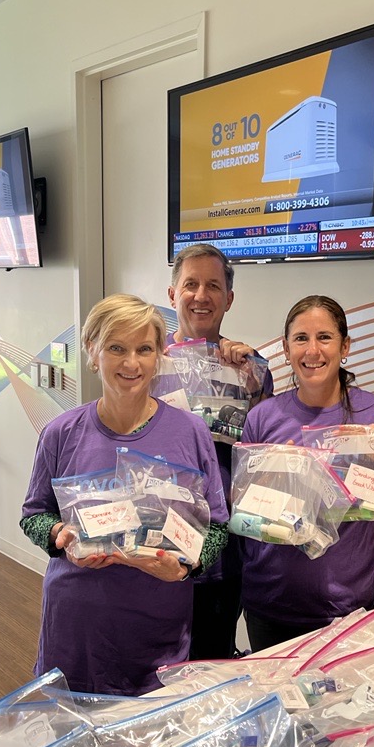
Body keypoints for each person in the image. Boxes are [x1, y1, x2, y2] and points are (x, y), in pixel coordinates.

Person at [20, 294, 228, 695]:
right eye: (116, 348)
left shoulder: (191, 432)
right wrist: (59, 535)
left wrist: (188, 567)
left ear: (159, 355)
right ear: (93, 353)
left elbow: (216, 526)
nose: (131, 363)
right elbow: (34, 515)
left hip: (157, 623)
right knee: (75, 741)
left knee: (151, 742)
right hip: (76, 624)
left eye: (144, 349)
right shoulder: (61, 433)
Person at [239, 294, 374, 652]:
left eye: (324, 337)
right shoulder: (263, 418)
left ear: (345, 346)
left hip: (346, 609)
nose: (312, 351)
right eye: (301, 338)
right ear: (286, 348)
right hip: (269, 604)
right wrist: (274, 476)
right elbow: (244, 517)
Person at [167, 243, 273, 660]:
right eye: (190, 284)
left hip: (222, 553)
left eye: (213, 285)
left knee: (212, 661)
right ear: (172, 294)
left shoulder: (250, 370)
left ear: (229, 299)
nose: (201, 295)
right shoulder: (146, 360)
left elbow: (261, 457)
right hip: (154, 539)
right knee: (152, 664)